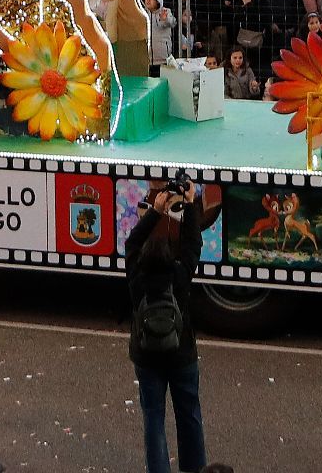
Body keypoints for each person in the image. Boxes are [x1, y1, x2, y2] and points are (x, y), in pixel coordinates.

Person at [126, 179, 220, 473]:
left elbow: (132, 242)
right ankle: (194, 469)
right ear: (172, 257)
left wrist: (154, 211)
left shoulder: (137, 277)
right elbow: (193, 244)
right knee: (189, 415)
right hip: (181, 354)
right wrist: (189, 204)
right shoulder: (179, 276)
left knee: (153, 418)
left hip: (146, 356)